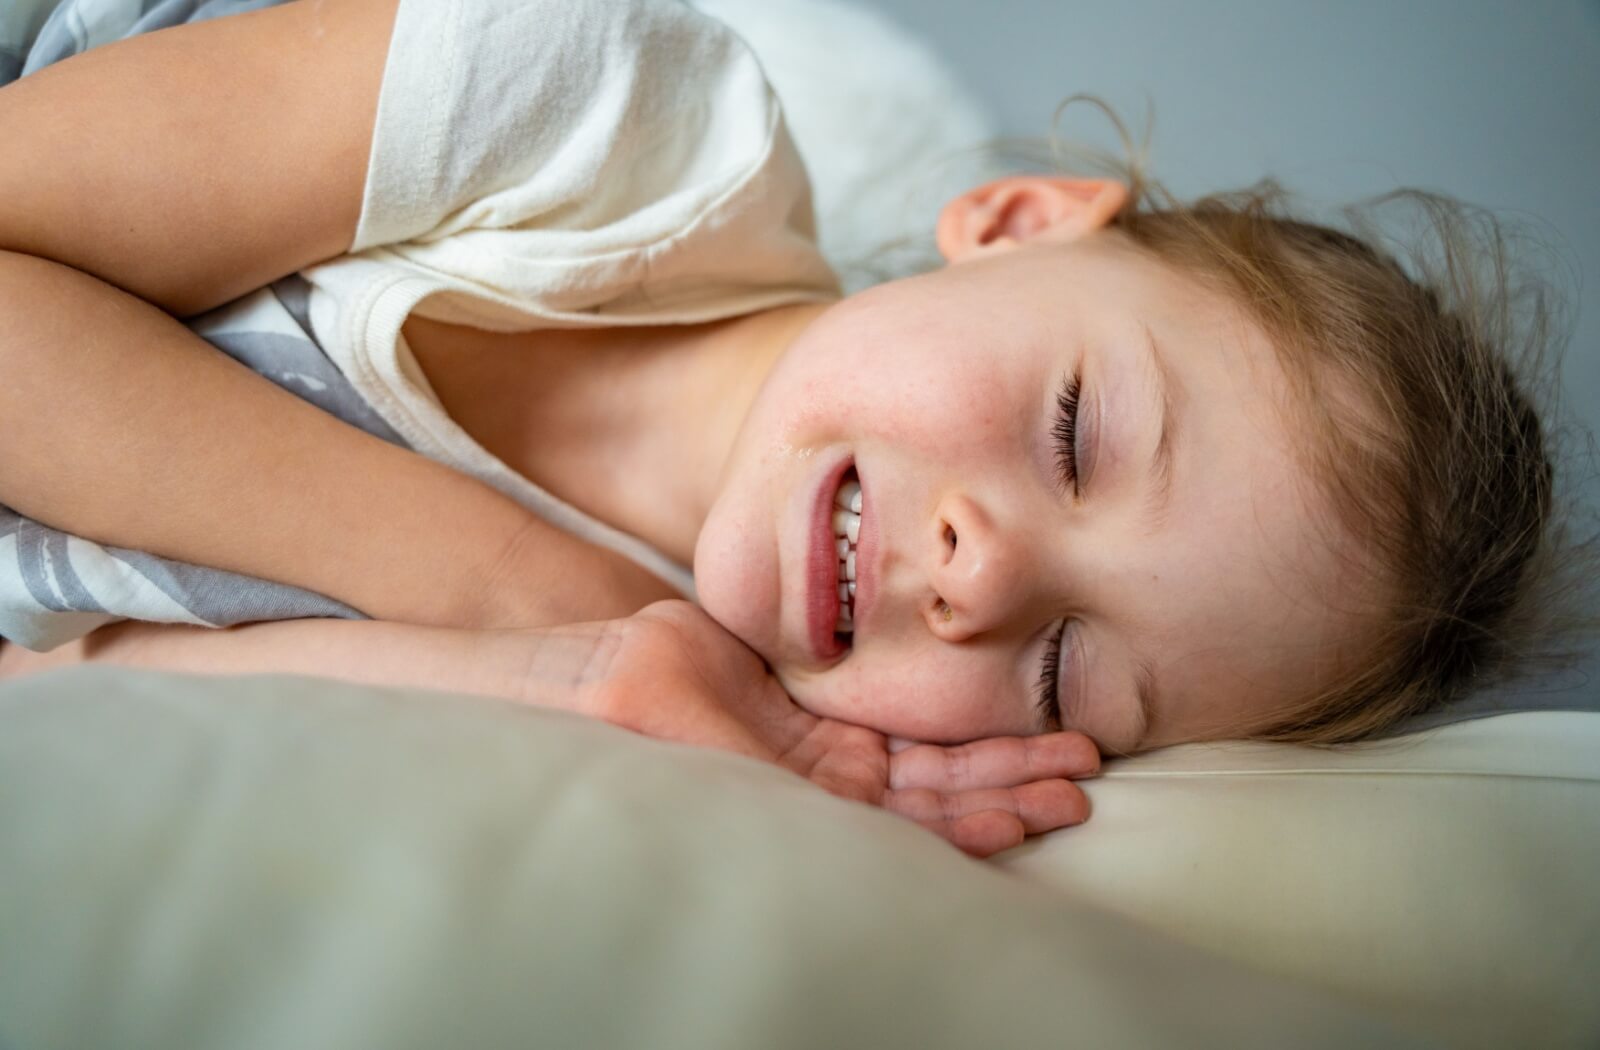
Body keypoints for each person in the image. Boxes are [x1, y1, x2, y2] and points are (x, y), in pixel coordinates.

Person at [0, 0, 1570, 857]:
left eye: (1062, 666)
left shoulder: (680, 701)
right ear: (1017, 220)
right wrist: (508, 584)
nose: (981, 575)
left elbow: (64, 668)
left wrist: (565, 663)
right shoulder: (575, 102)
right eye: (1079, 434)